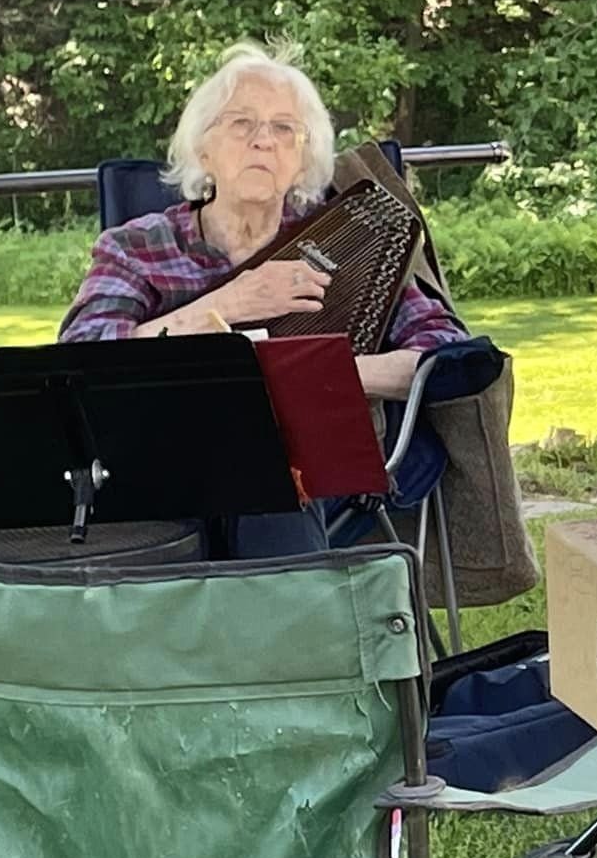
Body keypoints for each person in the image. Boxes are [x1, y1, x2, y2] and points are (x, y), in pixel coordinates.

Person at [60, 41, 467, 554]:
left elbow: (446, 355)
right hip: (163, 463)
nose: (263, 142)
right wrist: (231, 302)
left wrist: (316, 376)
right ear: (202, 150)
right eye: (242, 124)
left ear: (302, 161)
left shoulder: (350, 245)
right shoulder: (137, 248)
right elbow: (83, 354)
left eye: (283, 129)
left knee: (272, 471)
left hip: (308, 470)